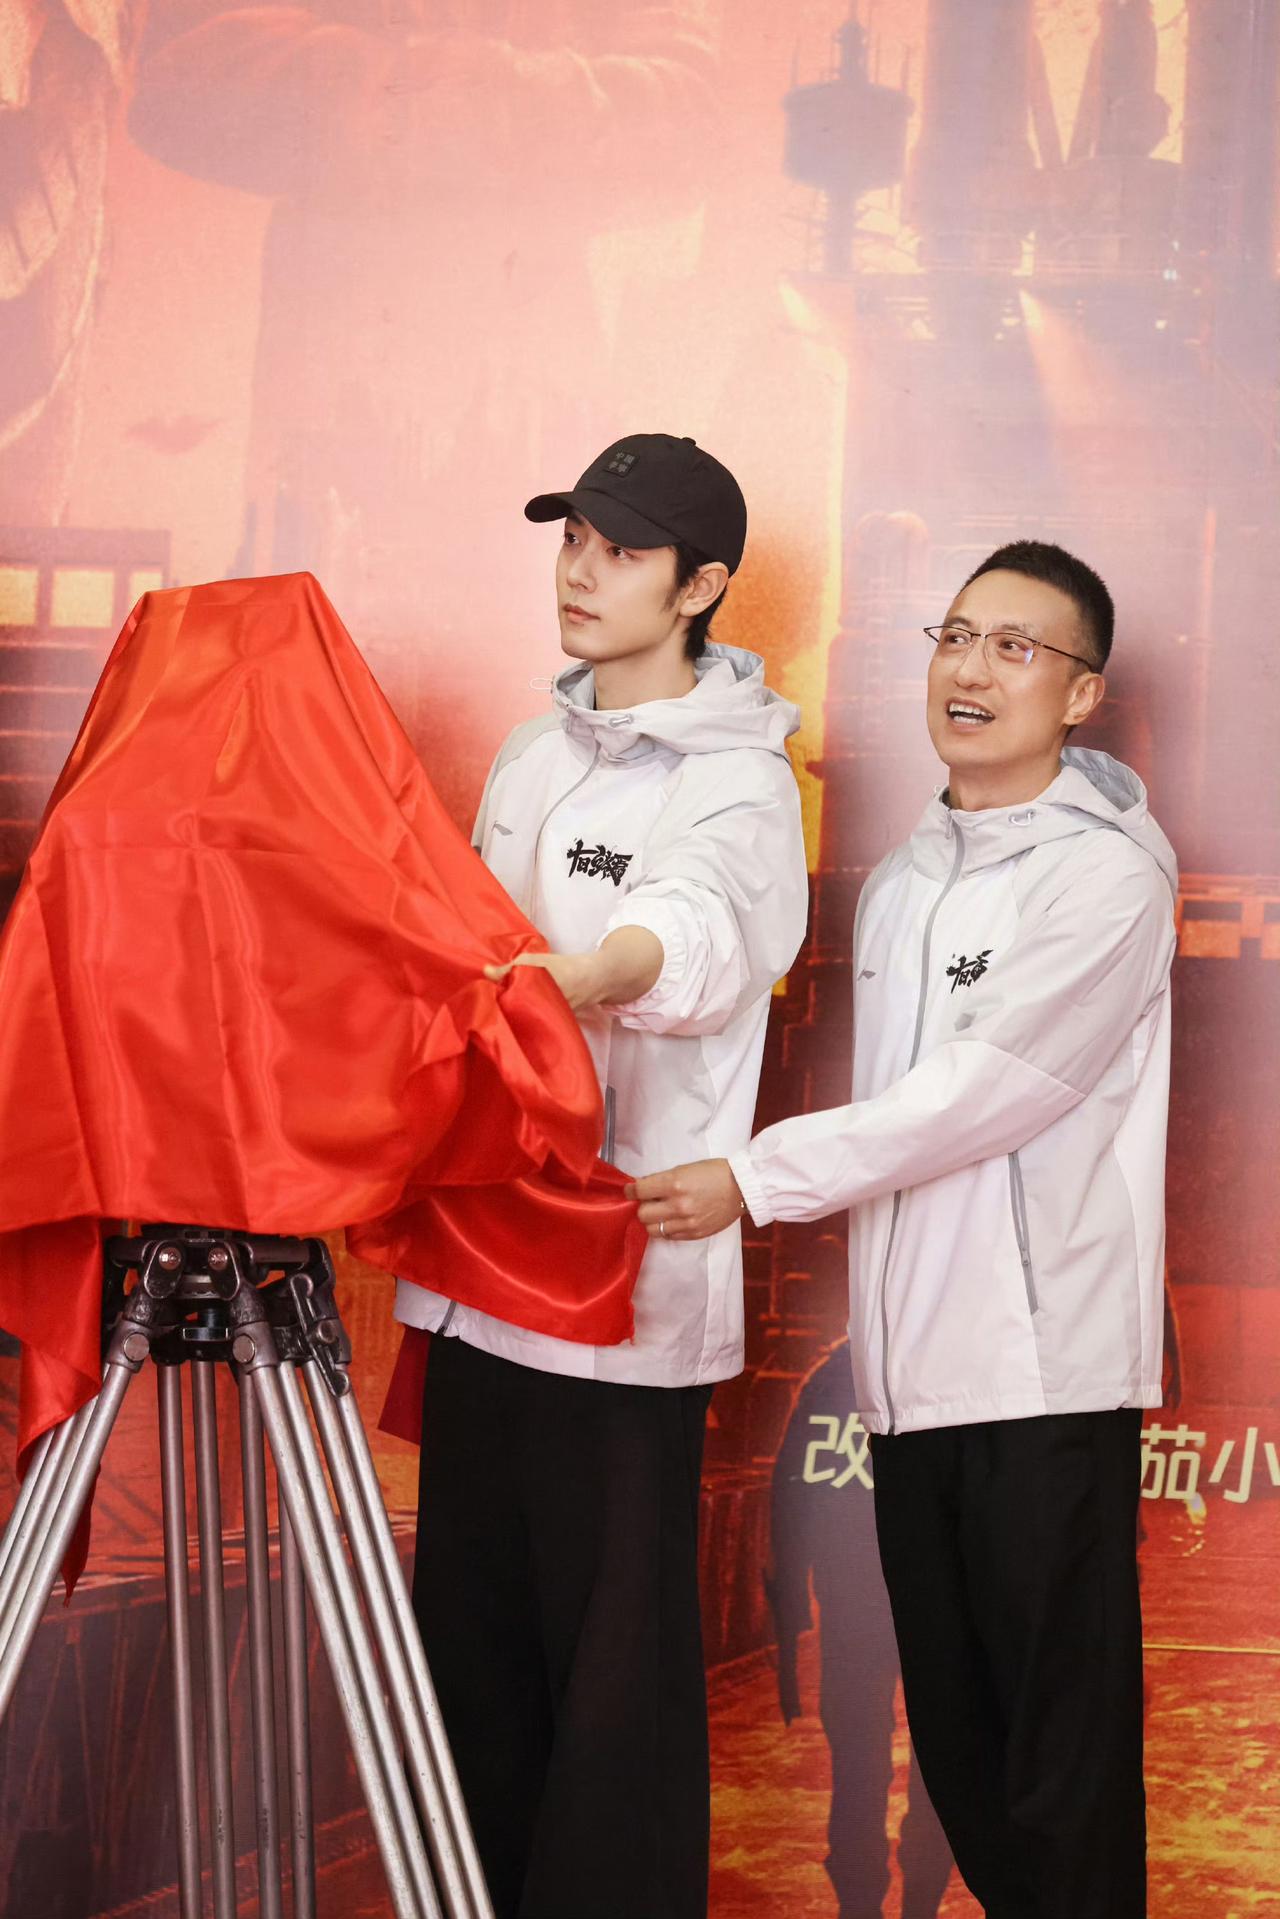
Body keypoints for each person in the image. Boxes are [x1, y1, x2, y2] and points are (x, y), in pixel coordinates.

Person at [631, 540, 1177, 1918]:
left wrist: (753, 1176)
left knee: (1060, 1779)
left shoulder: (1105, 878)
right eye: (956, 635)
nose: (970, 668)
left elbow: (982, 1094)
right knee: (964, 1757)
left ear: (1083, 693)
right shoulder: (903, 876)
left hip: (1042, 1382)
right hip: (910, 1389)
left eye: (1015, 646)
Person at [398, 432, 808, 1919]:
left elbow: (690, 942)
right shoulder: (530, 749)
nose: (580, 570)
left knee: (612, 1682)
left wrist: (571, 977)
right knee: (471, 1648)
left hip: (613, 1280)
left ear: (700, 586)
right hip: (475, 1261)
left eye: (621, 550)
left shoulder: (741, 782)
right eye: (571, 536)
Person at [767, 1339, 953, 1919]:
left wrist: (791, 1615)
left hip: (857, 1604)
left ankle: (861, 1904)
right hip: (937, 1603)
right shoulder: (962, 1366)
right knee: (940, 1763)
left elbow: (792, 1493)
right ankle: (915, 1903)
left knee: (859, 1763)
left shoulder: (834, 1376)